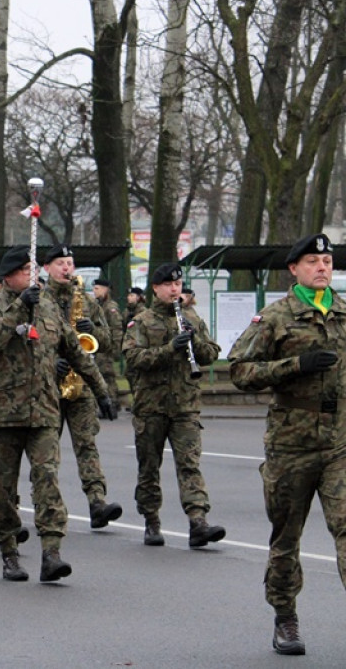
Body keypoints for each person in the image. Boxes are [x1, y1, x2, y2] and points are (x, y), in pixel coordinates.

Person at [228, 233, 346, 656]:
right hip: (291, 445)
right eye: (313, 260)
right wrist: (295, 365)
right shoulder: (275, 318)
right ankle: (285, 618)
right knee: (286, 540)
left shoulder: (345, 312)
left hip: (340, 443)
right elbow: (240, 371)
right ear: (293, 269)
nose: (322, 267)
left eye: (327, 261)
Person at [0, 247, 114, 583]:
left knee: (47, 480)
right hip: (3, 415)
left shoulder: (48, 306)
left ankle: (52, 552)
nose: (30, 275)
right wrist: (20, 307)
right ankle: (9, 553)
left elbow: (76, 351)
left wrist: (102, 391)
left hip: (44, 412)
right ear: (8, 276)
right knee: (2, 490)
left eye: (32, 269)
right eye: (24, 270)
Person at [122, 262, 225, 549]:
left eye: (178, 285)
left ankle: (198, 521)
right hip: (151, 406)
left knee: (189, 464)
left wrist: (195, 341)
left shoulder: (191, 316)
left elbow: (211, 353)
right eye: (168, 285)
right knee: (149, 467)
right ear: (156, 288)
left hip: (185, 406)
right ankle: (151, 521)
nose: (174, 289)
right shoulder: (142, 321)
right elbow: (133, 358)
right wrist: (171, 349)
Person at [39, 245, 123, 529]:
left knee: (87, 444)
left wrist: (93, 329)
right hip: (47, 387)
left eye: (70, 263)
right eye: (60, 263)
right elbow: (26, 343)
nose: (66, 268)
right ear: (47, 267)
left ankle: (97, 502)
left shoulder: (86, 301)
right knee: (46, 451)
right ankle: (45, 503)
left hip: (81, 385)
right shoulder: (38, 299)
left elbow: (109, 343)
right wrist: (51, 363)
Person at [92, 278, 124, 404]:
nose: (94, 292)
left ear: (105, 290)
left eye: (97, 289)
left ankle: (113, 403)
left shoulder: (111, 307)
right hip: (100, 346)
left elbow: (117, 329)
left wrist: (115, 348)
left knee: (108, 376)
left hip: (108, 348)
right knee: (102, 375)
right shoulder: (99, 305)